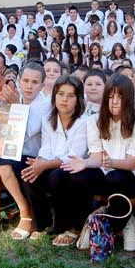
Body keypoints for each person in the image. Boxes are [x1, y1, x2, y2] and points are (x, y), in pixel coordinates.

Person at [62, 74, 135, 250]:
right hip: (104, 171)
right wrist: (85, 163)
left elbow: (132, 163)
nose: (114, 102)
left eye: (120, 97)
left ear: (128, 98)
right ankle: (90, 222)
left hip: (131, 175)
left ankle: (122, 221)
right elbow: (96, 157)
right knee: (79, 176)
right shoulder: (94, 120)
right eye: (110, 96)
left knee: (115, 177)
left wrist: (109, 162)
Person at [0, 62, 51, 239]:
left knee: (5, 167)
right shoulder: (13, 98)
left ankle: (25, 213)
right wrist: (6, 107)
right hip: (9, 150)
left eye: (35, 82)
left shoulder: (45, 104)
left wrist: (16, 105)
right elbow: (1, 130)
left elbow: (28, 131)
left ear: (42, 85)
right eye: (25, 81)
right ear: (19, 81)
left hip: (30, 155)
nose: (29, 86)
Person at [19, 75, 88, 247]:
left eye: (70, 96)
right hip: (51, 162)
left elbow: (75, 154)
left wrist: (44, 165)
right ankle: (43, 223)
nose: (64, 99)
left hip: (76, 167)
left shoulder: (85, 122)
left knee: (56, 177)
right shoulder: (48, 120)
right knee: (29, 175)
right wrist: (39, 163)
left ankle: (68, 226)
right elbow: (46, 148)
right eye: (60, 94)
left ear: (78, 100)